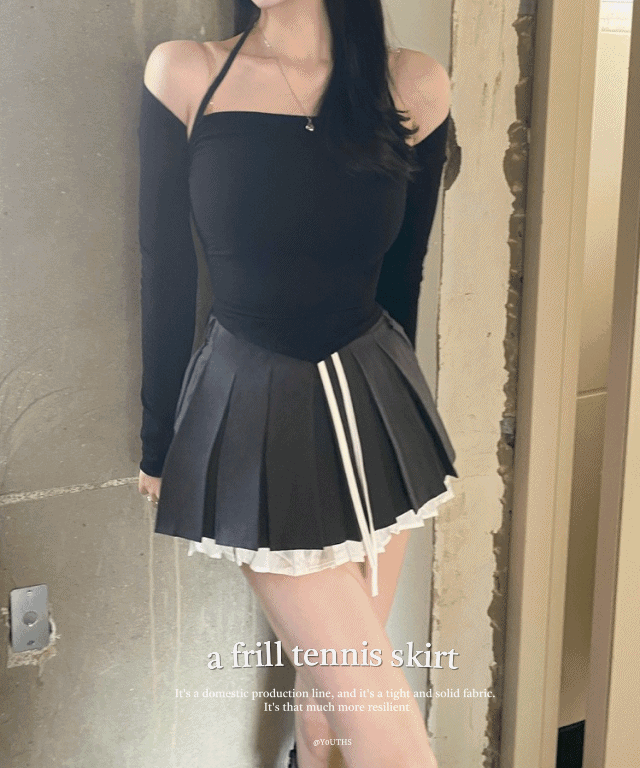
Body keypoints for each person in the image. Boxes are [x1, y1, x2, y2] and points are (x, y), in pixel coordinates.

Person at [137, 1, 458, 766]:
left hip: (378, 407)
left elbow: (404, 273)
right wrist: (159, 442)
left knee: (325, 724)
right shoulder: (186, 72)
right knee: (387, 735)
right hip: (251, 408)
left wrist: (400, 422)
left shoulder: (413, 85)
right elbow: (164, 270)